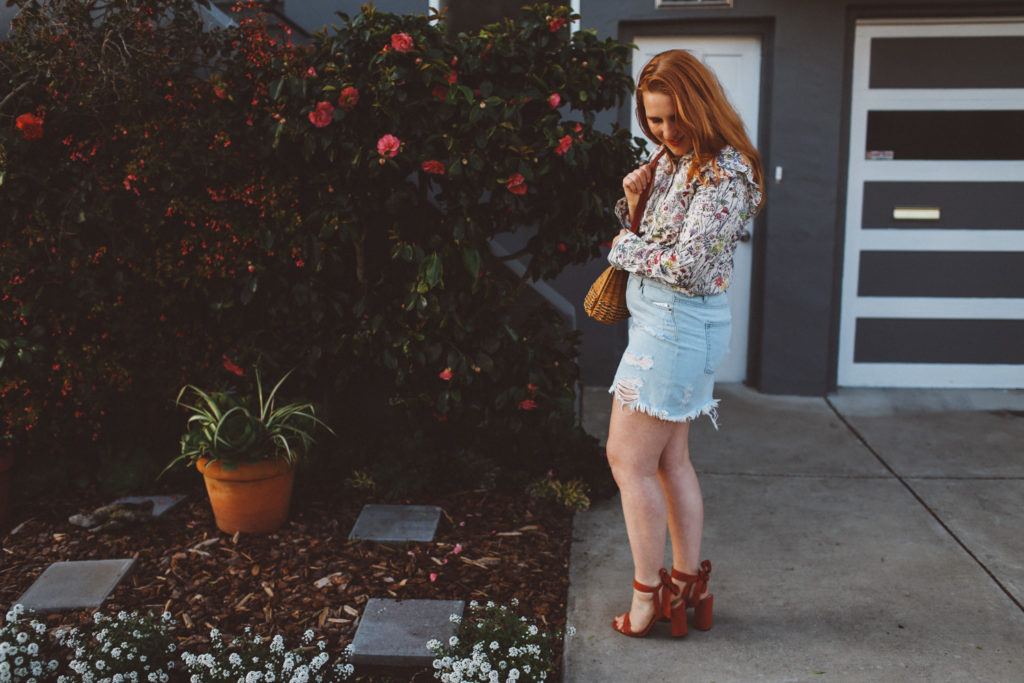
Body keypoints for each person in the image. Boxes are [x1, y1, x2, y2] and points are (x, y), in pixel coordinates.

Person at [605, 48, 765, 638]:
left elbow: (690, 267)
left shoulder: (725, 171)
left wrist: (621, 248)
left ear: (702, 107)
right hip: (661, 322)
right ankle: (685, 584)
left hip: (676, 325)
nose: (665, 131)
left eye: (675, 118)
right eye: (654, 119)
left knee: (627, 460)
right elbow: (660, 240)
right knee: (670, 462)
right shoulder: (676, 162)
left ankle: (648, 598)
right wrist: (634, 201)